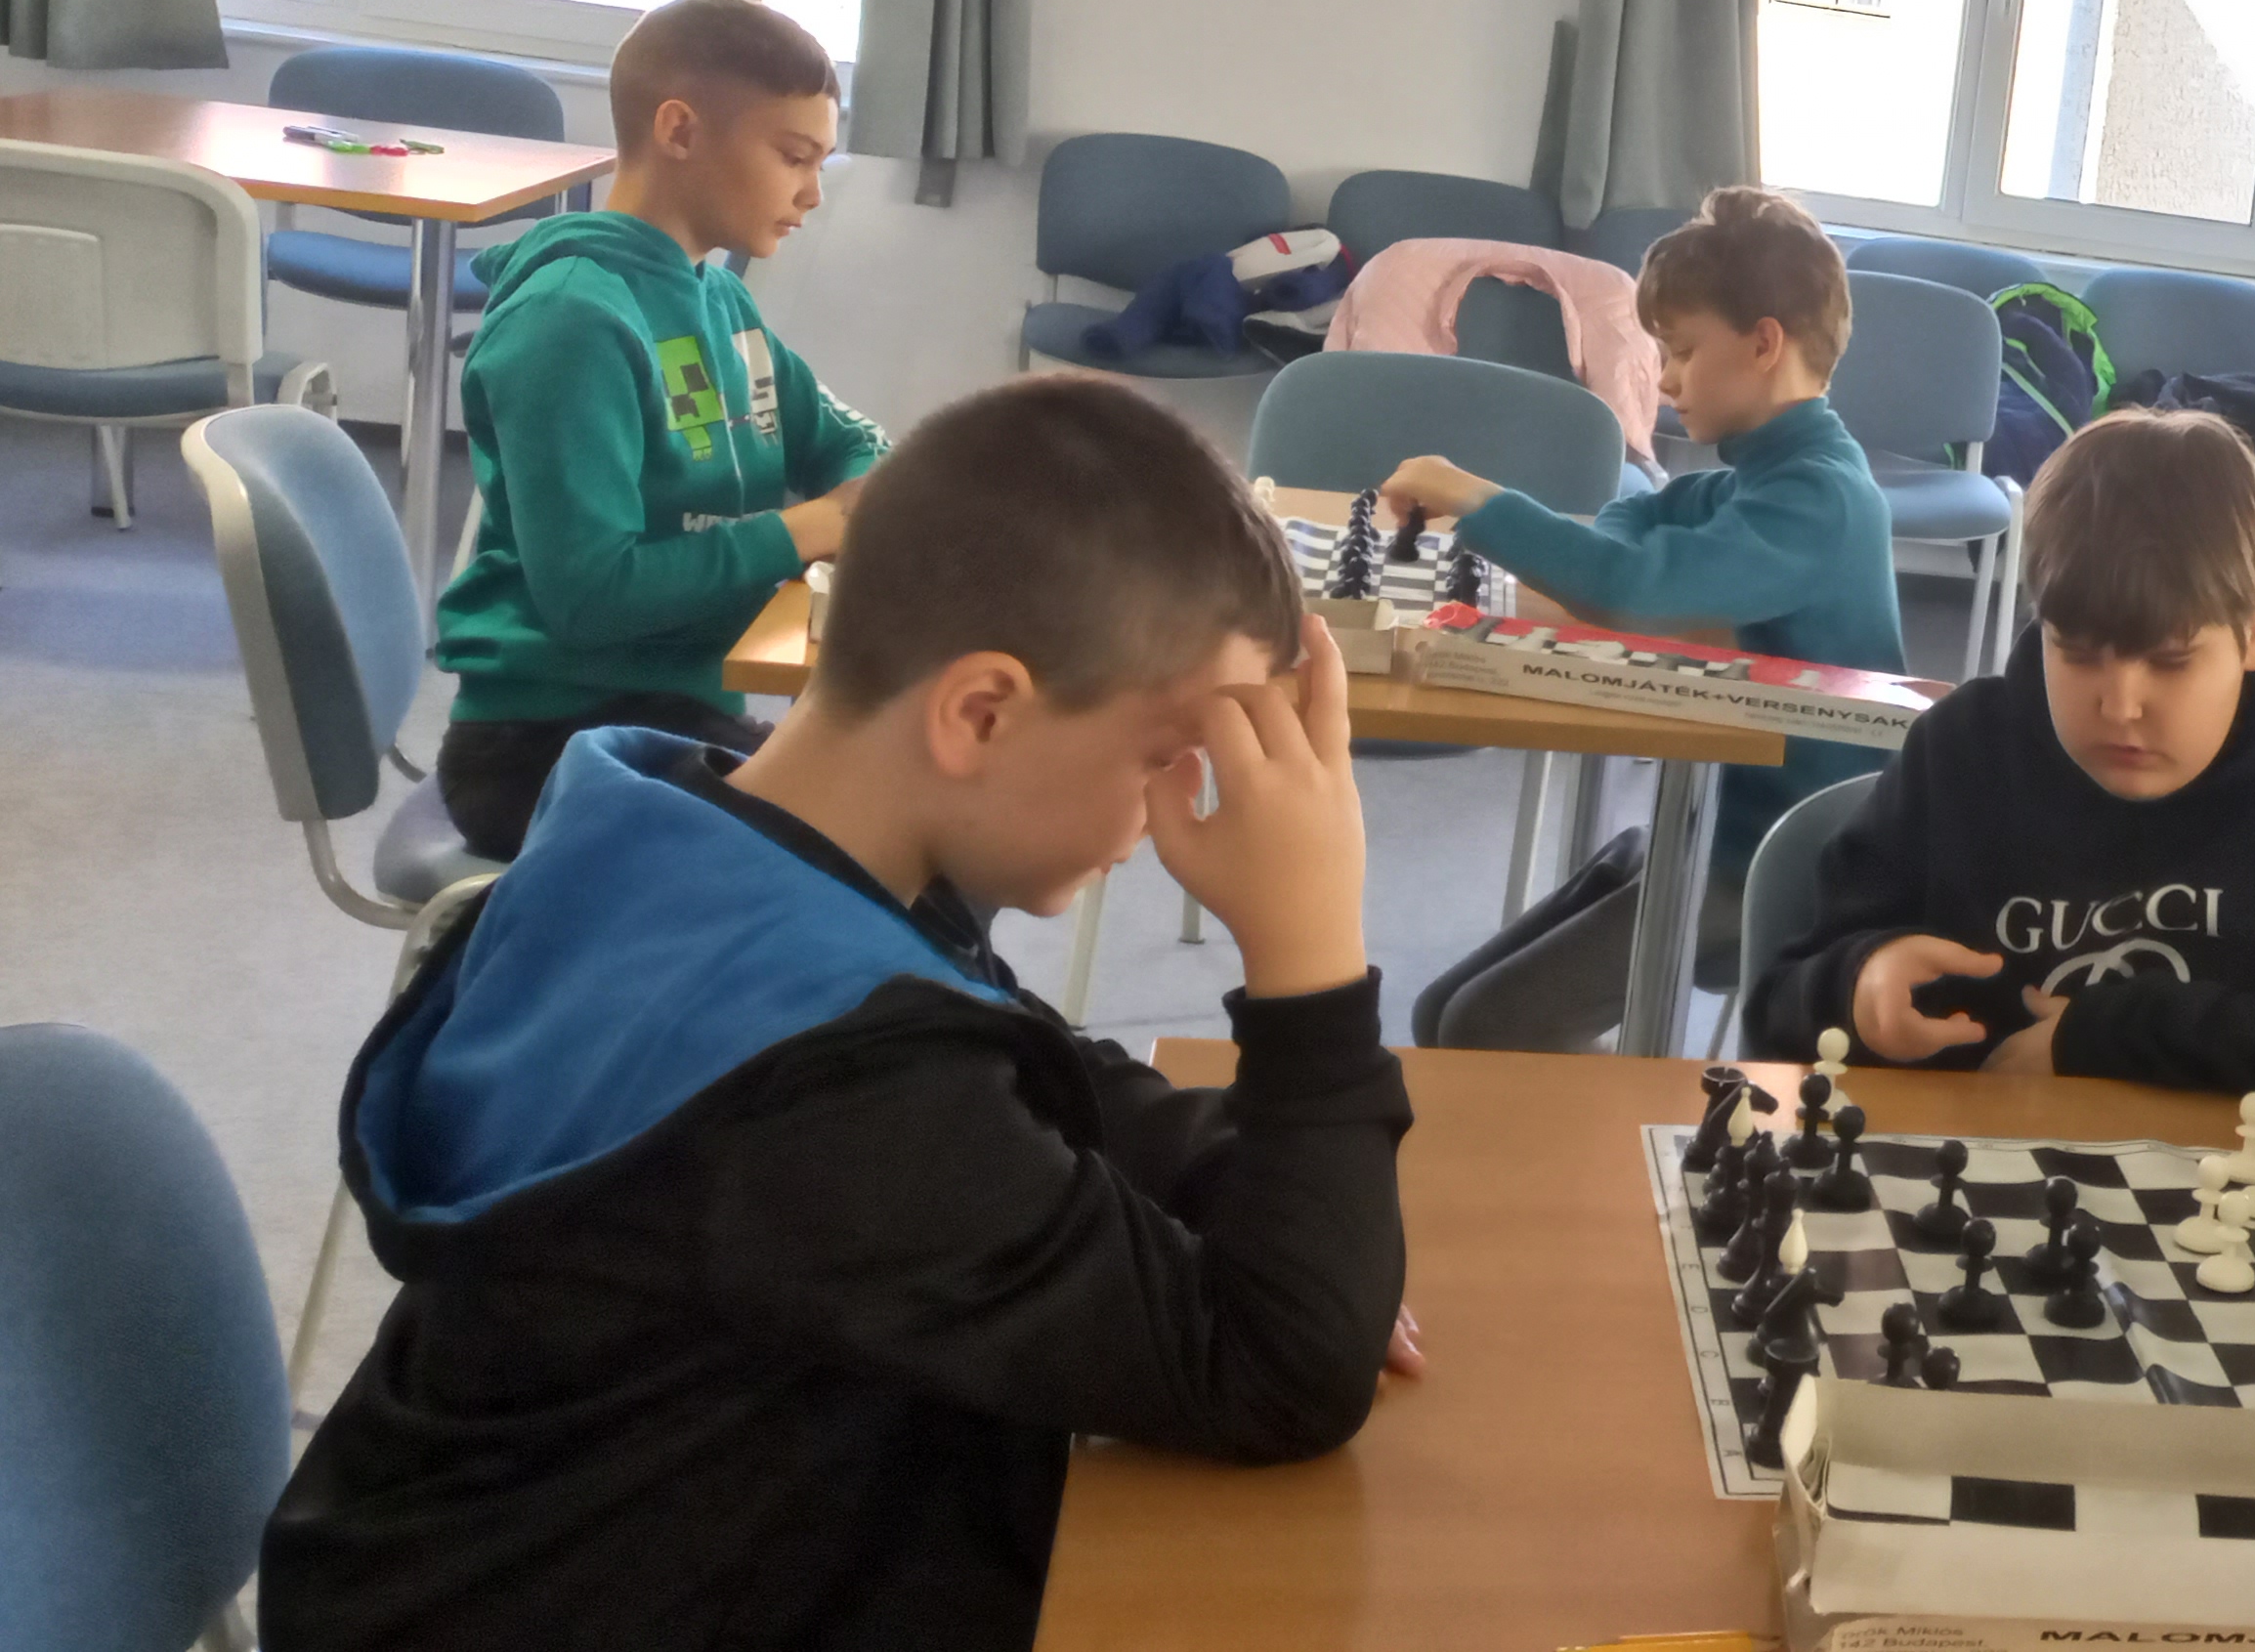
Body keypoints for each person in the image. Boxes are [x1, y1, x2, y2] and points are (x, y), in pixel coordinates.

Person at [267, 376, 1417, 1652]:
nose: (1168, 815)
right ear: (981, 712)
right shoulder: (837, 1094)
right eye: (1161, 757)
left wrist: (1285, 1217)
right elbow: (1281, 1370)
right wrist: (1311, 951)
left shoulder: (689, 841)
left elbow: (1032, 1070)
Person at [1735, 409, 2255, 1105]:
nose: (2121, 706)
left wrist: (2115, 1036)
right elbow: (1776, 1008)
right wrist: (1858, 986)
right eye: (2078, 652)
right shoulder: (1957, 755)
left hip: (2228, 1188)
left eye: (2170, 660)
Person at [431, 0, 888, 859]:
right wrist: (814, 527)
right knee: (873, 846)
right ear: (679, 131)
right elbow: (591, 596)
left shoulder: (720, 300)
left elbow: (842, 441)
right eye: (794, 156)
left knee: (908, 805)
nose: (812, 193)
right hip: (544, 742)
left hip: (670, 708)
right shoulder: (571, 320)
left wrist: (870, 487)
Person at [1379, 184, 1902, 869]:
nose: (1665, 382)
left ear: (1764, 343)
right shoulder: (1772, 475)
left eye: (1682, 351)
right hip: (1722, 841)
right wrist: (1636, 580)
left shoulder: (1819, 499)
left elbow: (1629, 591)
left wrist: (1471, 495)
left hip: (1791, 877)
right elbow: (1641, 512)